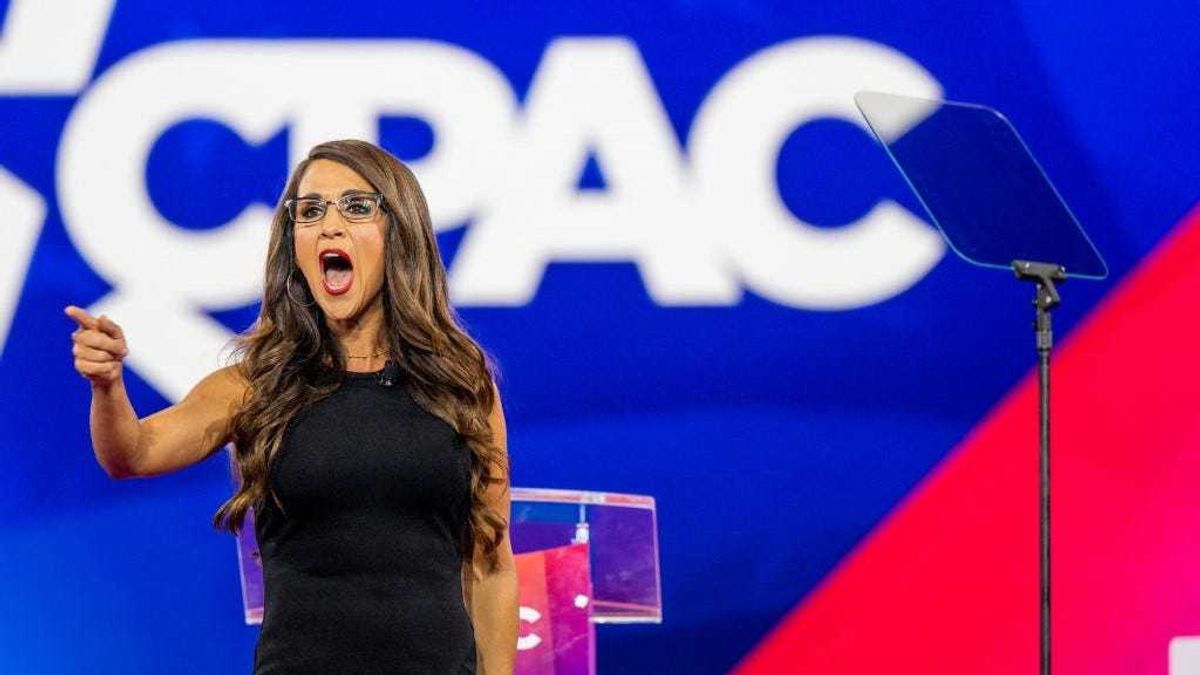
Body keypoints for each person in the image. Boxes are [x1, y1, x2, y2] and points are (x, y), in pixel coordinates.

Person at [65, 139, 518, 674]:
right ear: (294, 245)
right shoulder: (255, 386)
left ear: (400, 233)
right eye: (309, 211)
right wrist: (107, 386)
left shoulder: (460, 386)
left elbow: (491, 567)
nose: (329, 225)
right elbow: (133, 453)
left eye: (355, 206)